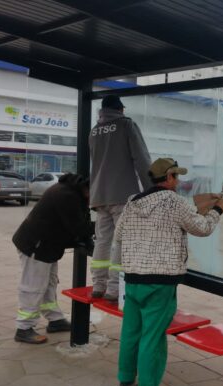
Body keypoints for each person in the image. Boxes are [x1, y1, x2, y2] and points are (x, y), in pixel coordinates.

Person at [114, 158, 223, 386]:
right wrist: (217, 209)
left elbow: (118, 235)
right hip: (160, 283)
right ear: (168, 177)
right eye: (177, 176)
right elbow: (202, 228)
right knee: (153, 339)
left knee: (131, 331)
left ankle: (126, 380)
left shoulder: (132, 202)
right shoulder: (174, 202)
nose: (179, 181)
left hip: (133, 279)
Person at [12, 173, 93, 344]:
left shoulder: (72, 192)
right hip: (36, 245)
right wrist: (99, 227)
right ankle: (24, 327)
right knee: (33, 286)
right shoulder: (66, 195)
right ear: (88, 188)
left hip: (48, 245)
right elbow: (78, 227)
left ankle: (55, 320)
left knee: (49, 283)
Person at [89, 95, 151, 301]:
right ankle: (113, 289)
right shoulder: (126, 125)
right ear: (120, 109)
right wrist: (151, 188)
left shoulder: (94, 130)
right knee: (120, 241)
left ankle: (98, 285)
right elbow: (141, 158)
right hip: (121, 193)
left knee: (102, 241)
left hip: (99, 195)